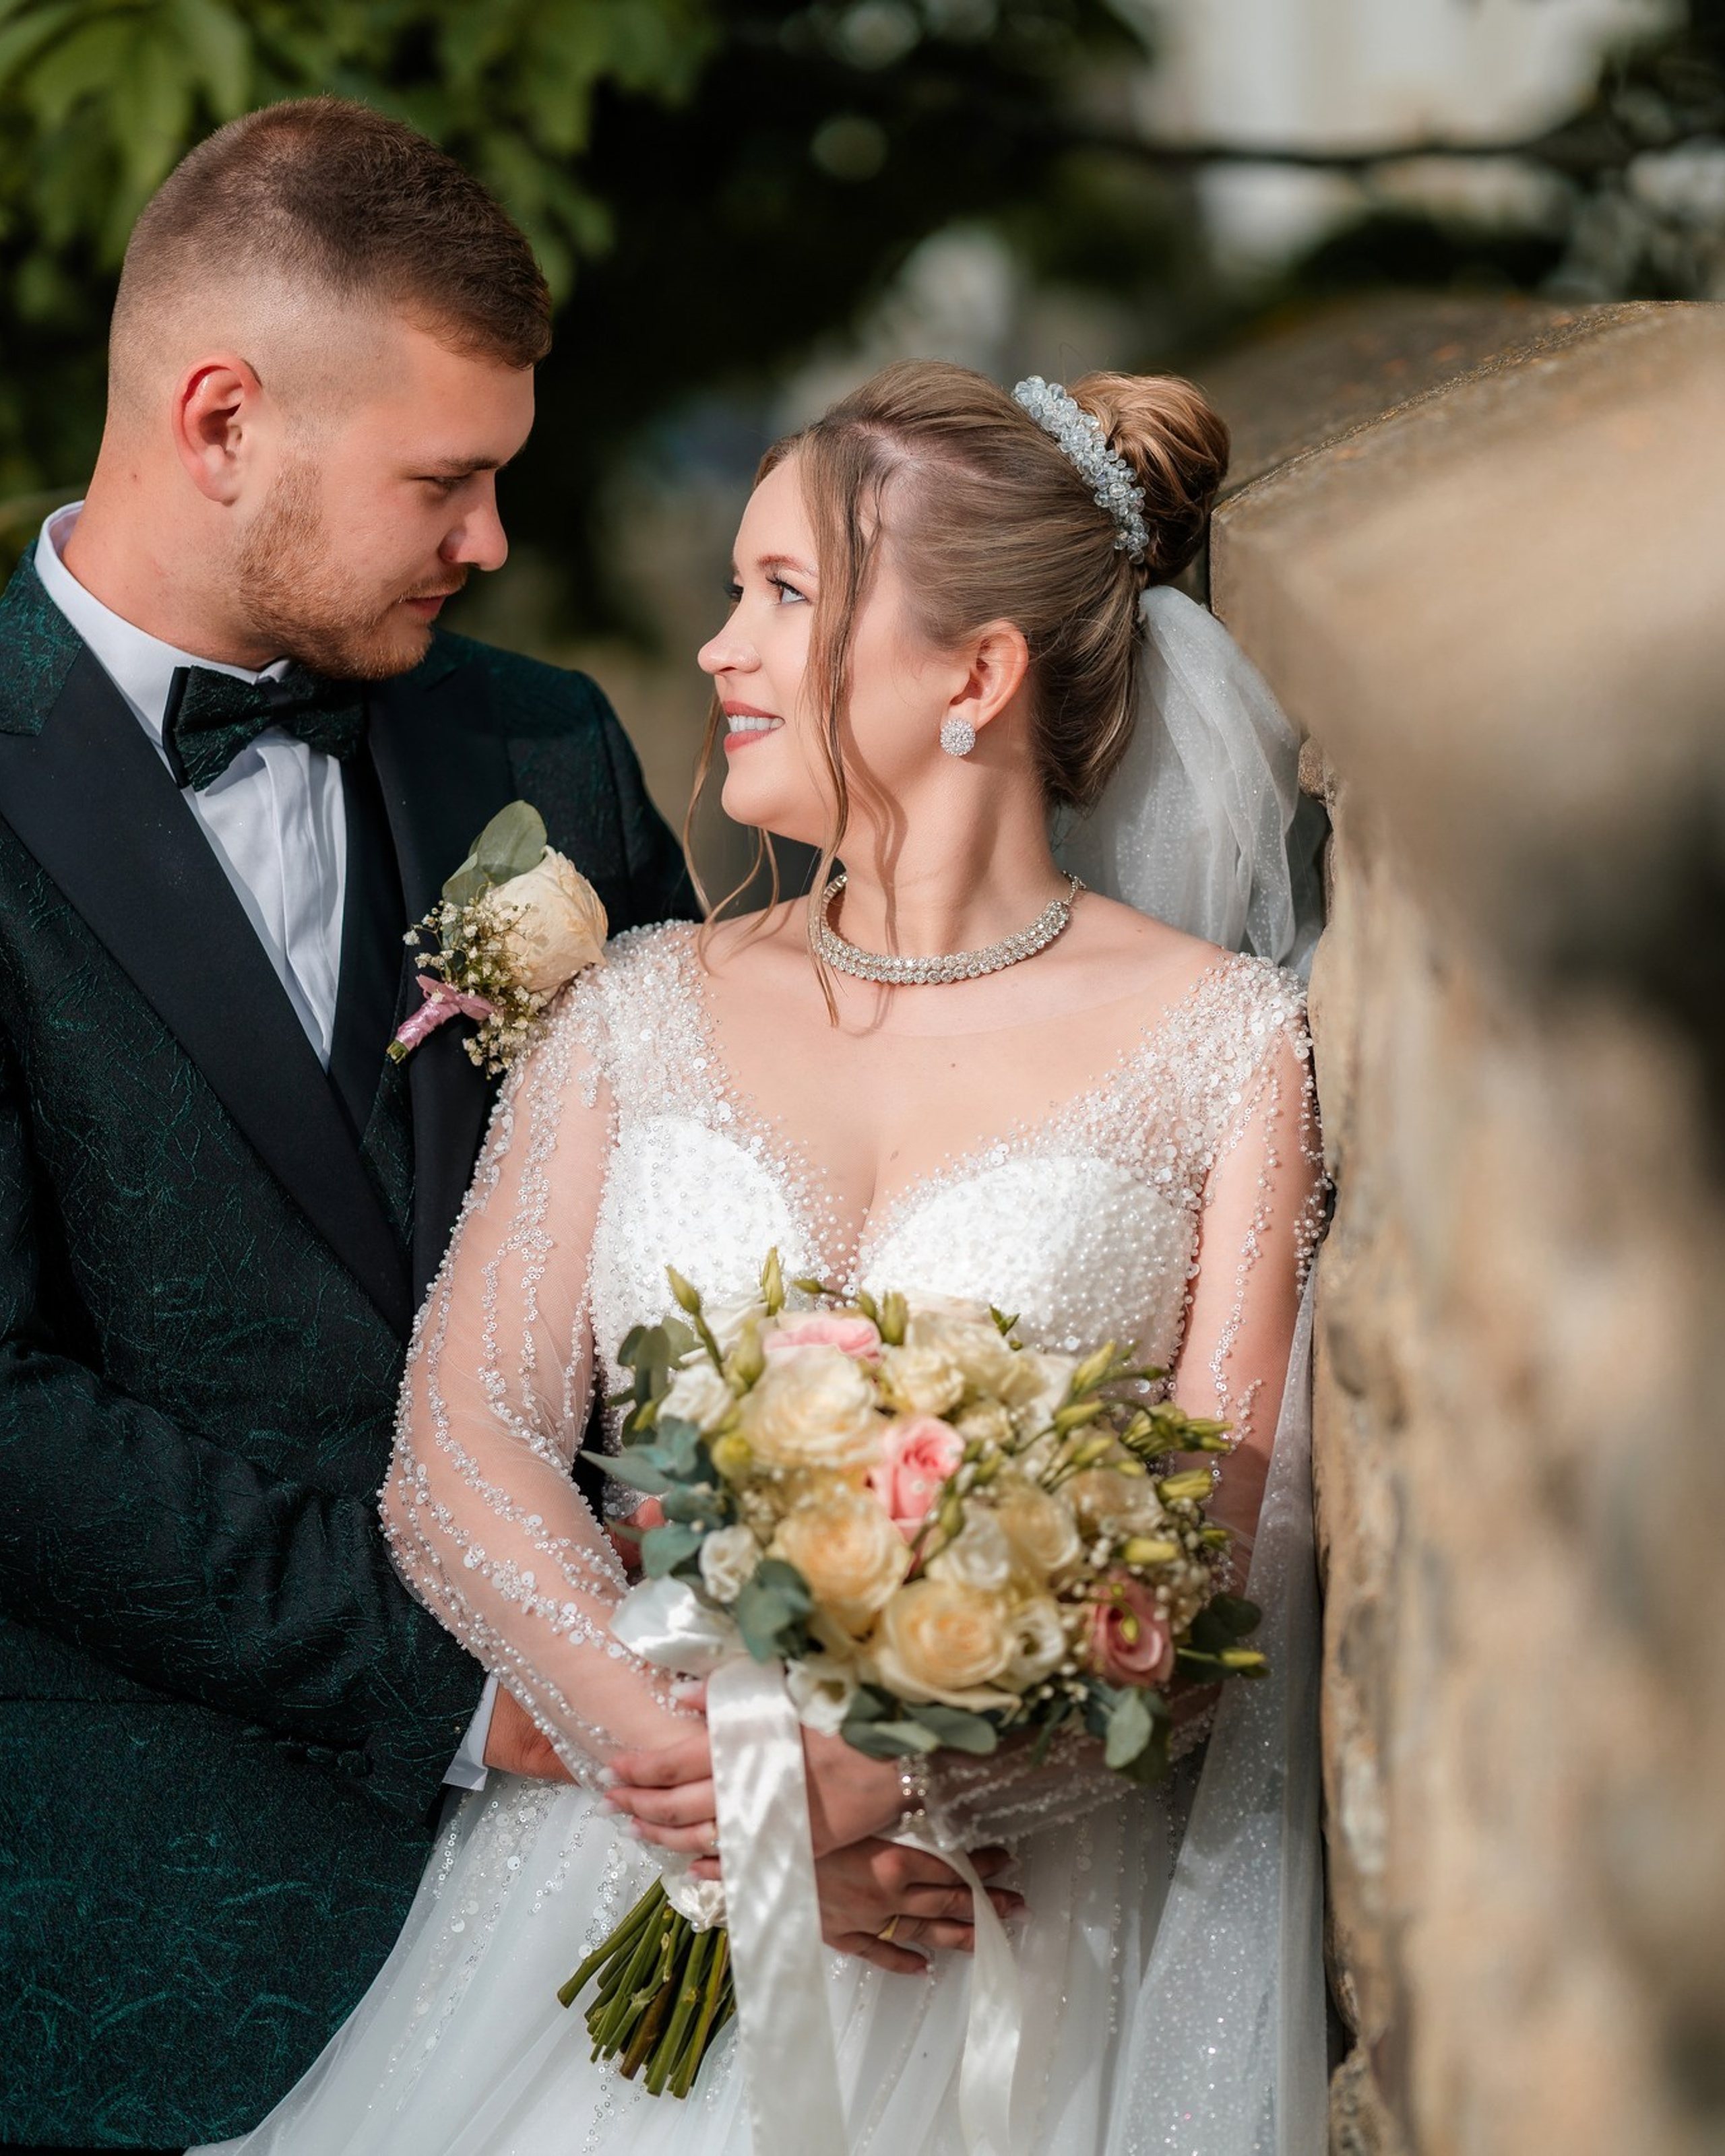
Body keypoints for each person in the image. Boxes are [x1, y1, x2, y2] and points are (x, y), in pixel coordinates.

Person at [197, 358, 1329, 2156]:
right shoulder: (643, 1002)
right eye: (736, 592)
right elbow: (464, 1437)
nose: (721, 648)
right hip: (595, 1886)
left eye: (784, 595)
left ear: (974, 675)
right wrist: (711, 1779)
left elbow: (1218, 1552)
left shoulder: (1226, 1047)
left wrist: (881, 1781)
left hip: (992, 1946)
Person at [0, 98, 705, 2155]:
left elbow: (696, 1233)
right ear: (222, 419)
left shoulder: (542, 744)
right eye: (447, 481)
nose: (489, 541)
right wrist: (477, 1697)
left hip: (599, 1930)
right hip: (129, 1932)